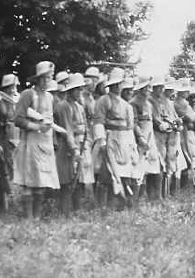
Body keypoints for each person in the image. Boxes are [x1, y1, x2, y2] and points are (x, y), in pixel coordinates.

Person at [14, 61, 62, 218]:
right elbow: (18, 119)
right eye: (45, 77)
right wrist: (37, 126)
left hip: (45, 144)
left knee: (42, 181)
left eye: (50, 77)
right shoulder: (28, 94)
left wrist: (52, 139)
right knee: (29, 182)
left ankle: (37, 216)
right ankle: (28, 217)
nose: (47, 81)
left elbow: (51, 121)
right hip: (31, 143)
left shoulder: (50, 97)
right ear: (38, 79)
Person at [93, 68, 140, 209]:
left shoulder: (127, 105)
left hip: (124, 140)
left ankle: (120, 204)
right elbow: (98, 122)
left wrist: (132, 146)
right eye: (116, 84)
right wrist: (101, 140)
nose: (118, 86)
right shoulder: (104, 101)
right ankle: (102, 206)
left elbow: (130, 128)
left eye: (119, 84)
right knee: (107, 173)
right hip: (110, 138)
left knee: (124, 172)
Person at [54, 73, 89, 215]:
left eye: (81, 89)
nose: (80, 92)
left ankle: (76, 210)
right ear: (70, 90)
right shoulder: (63, 106)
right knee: (66, 179)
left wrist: (84, 142)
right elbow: (67, 129)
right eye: (77, 89)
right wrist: (74, 149)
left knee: (78, 178)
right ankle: (64, 212)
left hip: (80, 144)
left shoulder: (79, 107)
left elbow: (85, 127)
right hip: (66, 145)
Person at [129, 76, 163, 202]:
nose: (149, 90)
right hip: (139, 139)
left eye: (149, 87)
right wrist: (140, 138)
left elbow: (153, 121)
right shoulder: (133, 103)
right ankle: (136, 199)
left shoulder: (149, 104)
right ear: (140, 89)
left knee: (154, 166)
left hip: (150, 138)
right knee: (139, 168)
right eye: (146, 87)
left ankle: (155, 197)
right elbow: (134, 123)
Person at [0, 74, 20, 211]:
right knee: (2, 172)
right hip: (2, 141)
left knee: (11, 171)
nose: (14, 89)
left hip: (14, 142)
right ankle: (1, 206)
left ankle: (6, 206)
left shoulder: (16, 104)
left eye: (15, 86)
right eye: (11, 86)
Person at [173, 78, 195, 191]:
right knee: (188, 155)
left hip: (186, 130)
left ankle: (185, 185)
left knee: (188, 155)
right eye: (186, 91)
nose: (188, 92)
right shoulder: (181, 103)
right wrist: (193, 119)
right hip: (184, 132)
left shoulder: (182, 102)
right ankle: (185, 185)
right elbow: (193, 118)